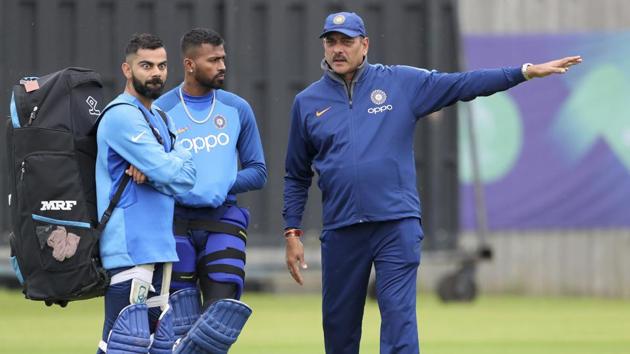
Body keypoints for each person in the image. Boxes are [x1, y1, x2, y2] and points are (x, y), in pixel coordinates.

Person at [283, 11, 582, 354]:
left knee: (399, 322)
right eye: (331, 41)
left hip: (395, 224)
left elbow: (463, 84)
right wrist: (292, 231)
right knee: (339, 329)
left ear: (364, 45)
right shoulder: (307, 102)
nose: (337, 49)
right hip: (342, 228)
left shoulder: (399, 83)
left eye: (346, 41)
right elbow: (297, 174)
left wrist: (524, 72)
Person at [154, 28, 267, 352]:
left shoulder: (237, 108)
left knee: (220, 322)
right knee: (179, 326)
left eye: (223, 58)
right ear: (190, 64)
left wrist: (218, 182)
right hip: (174, 223)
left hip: (223, 219)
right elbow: (149, 170)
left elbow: (258, 172)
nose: (222, 66)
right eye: (213, 60)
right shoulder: (161, 110)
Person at [95, 33, 196, 354]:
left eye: (162, 66)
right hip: (129, 247)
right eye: (146, 65)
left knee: (155, 344)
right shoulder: (121, 115)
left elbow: (188, 176)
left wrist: (154, 170)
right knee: (121, 344)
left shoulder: (161, 117)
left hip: (158, 247)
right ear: (127, 69)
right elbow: (170, 172)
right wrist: (163, 167)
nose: (156, 73)